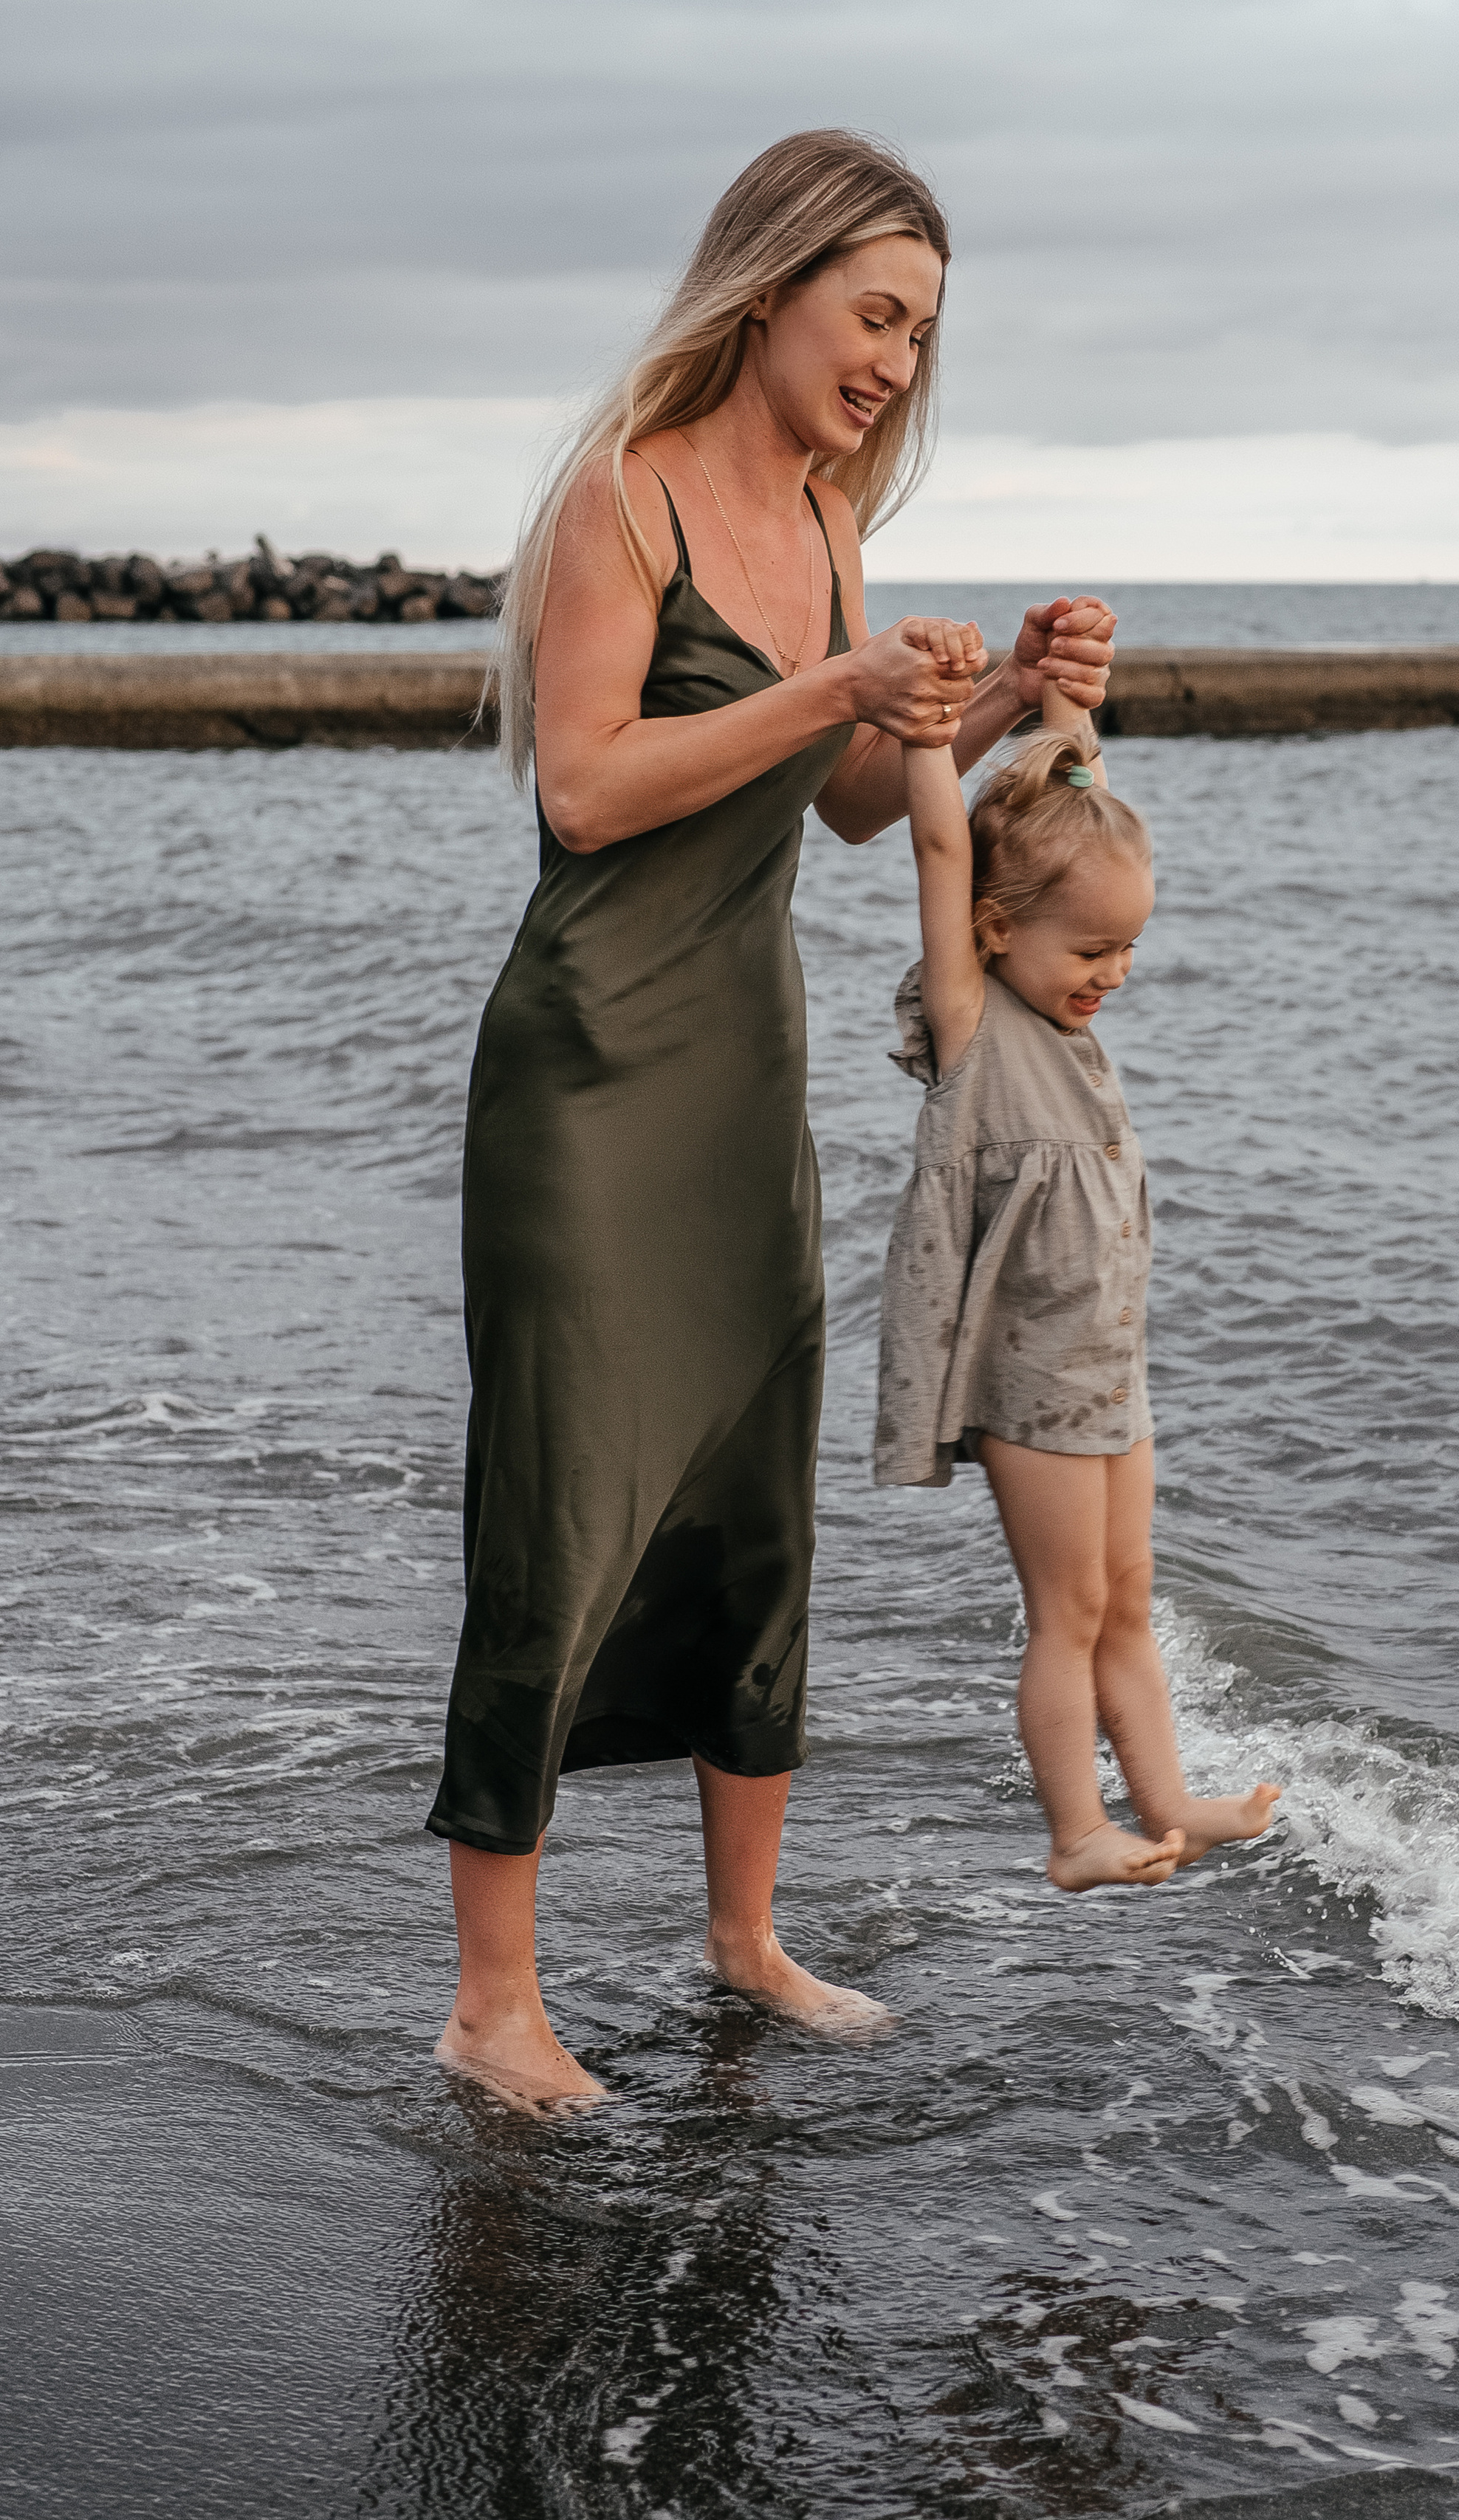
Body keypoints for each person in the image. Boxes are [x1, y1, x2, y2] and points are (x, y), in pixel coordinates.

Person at [425, 129, 1119, 2107]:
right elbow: (586, 788)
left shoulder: (824, 521)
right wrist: (838, 685)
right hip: (585, 1078)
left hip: (745, 1070)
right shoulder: (619, 497)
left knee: (750, 1498)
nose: (897, 358)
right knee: (560, 1499)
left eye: (921, 331)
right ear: (771, 287)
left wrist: (982, 710)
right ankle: (493, 2001)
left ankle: (744, 1936)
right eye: (875, 311)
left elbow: (831, 793)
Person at [876, 628, 1280, 1890]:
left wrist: (1058, 699)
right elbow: (947, 847)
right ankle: (1074, 1832)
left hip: (1110, 1366)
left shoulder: (1058, 1000)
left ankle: (1165, 1803)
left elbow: (1073, 790)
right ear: (995, 933)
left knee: (1126, 1597)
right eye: (1091, 953)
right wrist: (932, 734)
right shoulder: (974, 1018)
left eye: (1128, 954)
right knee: (1065, 1615)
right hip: (1031, 1376)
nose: (1111, 976)